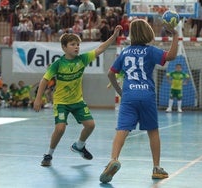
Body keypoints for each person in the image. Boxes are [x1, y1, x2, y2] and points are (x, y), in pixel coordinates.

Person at [99, 18, 179, 183]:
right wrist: (175, 35)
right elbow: (171, 56)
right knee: (153, 131)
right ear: (147, 33)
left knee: (122, 130)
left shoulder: (126, 52)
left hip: (129, 96)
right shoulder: (150, 51)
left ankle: (113, 159)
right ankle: (156, 168)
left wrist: (120, 91)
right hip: (147, 96)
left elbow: (110, 73)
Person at [33, 25, 123, 167]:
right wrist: (38, 98)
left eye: (78, 45)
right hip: (61, 102)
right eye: (73, 44)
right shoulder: (58, 64)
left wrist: (114, 36)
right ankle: (49, 154)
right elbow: (44, 80)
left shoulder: (82, 59)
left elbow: (100, 49)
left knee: (90, 125)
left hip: (77, 101)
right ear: (64, 47)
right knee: (60, 129)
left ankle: (79, 146)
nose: (76, 47)